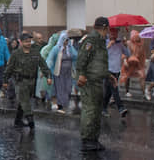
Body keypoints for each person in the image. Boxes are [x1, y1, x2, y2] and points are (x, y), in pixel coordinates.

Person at [76, 17, 111, 151]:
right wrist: (81, 75)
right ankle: (87, 140)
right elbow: (82, 59)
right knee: (90, 110)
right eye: (108, 29)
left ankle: (94, 139)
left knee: (96, 110)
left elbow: (99, 63)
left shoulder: (100, 41)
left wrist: (108, 75)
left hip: (97, 80)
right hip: (89, 81)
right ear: (104, 28)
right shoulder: (91, 40)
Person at [4, 32, 52, 129]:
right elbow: (9, 68)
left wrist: (48, 76)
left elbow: (43, 65)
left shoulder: (35, 53)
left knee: (24, 100)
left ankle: (17, 121)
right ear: (21, 42)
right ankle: (30, 120)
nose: (28, 43)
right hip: (20, 81)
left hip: (31, 81)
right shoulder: (16, 54)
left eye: (30, 41)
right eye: (26, 42)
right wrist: (5, 81)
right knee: (25, 101)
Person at [46, 30, 78, 113]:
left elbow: (76, 57)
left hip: (68, 72)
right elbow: (50, 59)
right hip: (59, 72)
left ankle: (64, 103)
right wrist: (47, 70)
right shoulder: (56, 49)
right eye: (65, 40)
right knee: (60, 89)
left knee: (68, 88)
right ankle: (60, 106)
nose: (66, 42)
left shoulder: (70, 49)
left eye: (67, 40)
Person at [104, 28, 130, 117]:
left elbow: (128, 54)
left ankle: (103, 109)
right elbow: (100, 54)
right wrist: (108, 46)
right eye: (112, 32)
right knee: (114, 89)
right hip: (107, 70)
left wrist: (126, 45)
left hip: (117, 70)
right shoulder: (105, 41)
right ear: (109, 32)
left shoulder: (120, 43)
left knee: (108, 92)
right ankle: (121, 108)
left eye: (115, 32)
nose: (114, 34)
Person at [120, 30, 146, 98]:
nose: (136, 38)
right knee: (127, 77)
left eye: (137, 37)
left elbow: (143, 55)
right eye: (134, 37)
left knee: (142, 76)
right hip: (129, 62)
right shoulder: (128, 43)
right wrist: (125, 60)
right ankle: (127, 91)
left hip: (138, 63)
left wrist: (142, 64)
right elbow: (124, 52)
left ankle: (144, 93)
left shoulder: (141, 44)